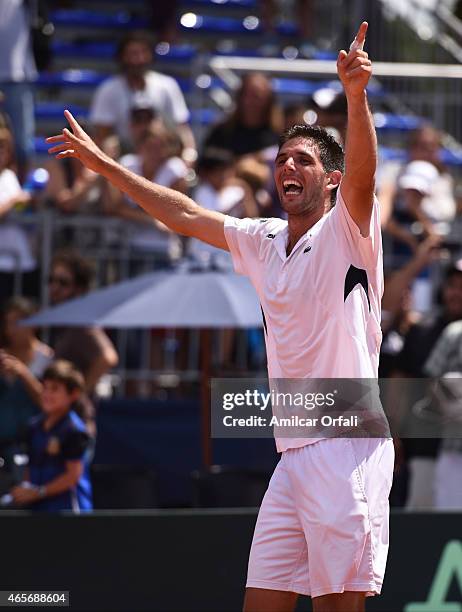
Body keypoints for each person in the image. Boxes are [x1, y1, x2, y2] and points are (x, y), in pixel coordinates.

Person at [47, 22, 393, 610]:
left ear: (329, 181)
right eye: (283, 158)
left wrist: (355, 96)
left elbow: (363, 174)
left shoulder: (347, 229)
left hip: (346, 442)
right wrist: (106, 166)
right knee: (260, 602)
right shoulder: (261, 239)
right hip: (293, 452)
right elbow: (182, 213)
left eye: (304, 160)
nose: (289, 166)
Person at [89, 31, 195, 160]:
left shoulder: (167, 85)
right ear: (122, 57)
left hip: (162, 153)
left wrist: (190, 154)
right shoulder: (108, 90)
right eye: (132, 54)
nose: (138, 59)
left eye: (143, 53)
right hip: (122, 156)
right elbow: (102, 135)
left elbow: (181, 127)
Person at [48, 250, 119, 436]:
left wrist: (77, 394)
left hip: (75, 423)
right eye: (51, 280)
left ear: (79, 288)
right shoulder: (68, 323)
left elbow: (108, 357)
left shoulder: (82, 324)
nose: (54, 288)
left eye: (63, 283)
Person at [9, 359, 92, 512]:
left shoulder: (74, 431)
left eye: (54, 389)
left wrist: (39, 492)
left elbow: (73, 476)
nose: (47, 394)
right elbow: (30, 465)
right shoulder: (34, 427)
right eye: (45, 387)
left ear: (73, 394)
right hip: (38, 510)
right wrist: (25, 491)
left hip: (67, 513)